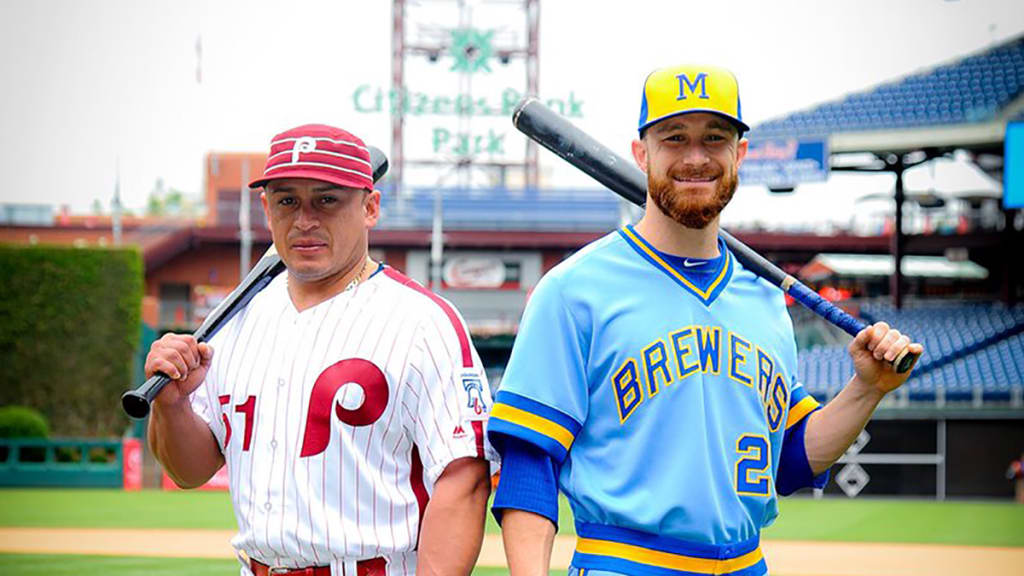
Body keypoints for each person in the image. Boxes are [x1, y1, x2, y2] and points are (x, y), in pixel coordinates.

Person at [486, 65, 924, 576]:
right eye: (675, 138)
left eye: (714, 139)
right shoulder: (573, 290)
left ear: (739, 154)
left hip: (746, 564)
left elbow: (789, 462)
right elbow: (529, 464)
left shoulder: (763, 300)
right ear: (641, 154)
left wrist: (867, 389)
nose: (696, 157)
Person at [145, 124, 494, 576]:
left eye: (327, 200)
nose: (305, 219)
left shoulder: (422, 322)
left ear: (370, 207)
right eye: (288, 200)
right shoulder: (235, 320)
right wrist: (173, 407)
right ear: (267, 209)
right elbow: (191, 470)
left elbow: (463, 477)